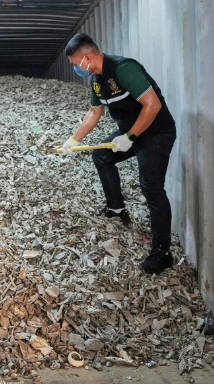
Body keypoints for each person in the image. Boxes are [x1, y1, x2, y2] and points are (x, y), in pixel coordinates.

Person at [61, 33, 176, 275]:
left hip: (156, 132)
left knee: (152, 189)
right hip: (130, 132)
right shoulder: (97, 80)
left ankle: (162, 253)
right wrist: (73, 140)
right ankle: (116, 208)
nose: (75, 68)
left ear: (87, 57)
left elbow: (153, 105)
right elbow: (94, 112)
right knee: (101, 156)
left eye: (75, 63)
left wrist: (129, 137)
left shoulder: (124, 69)